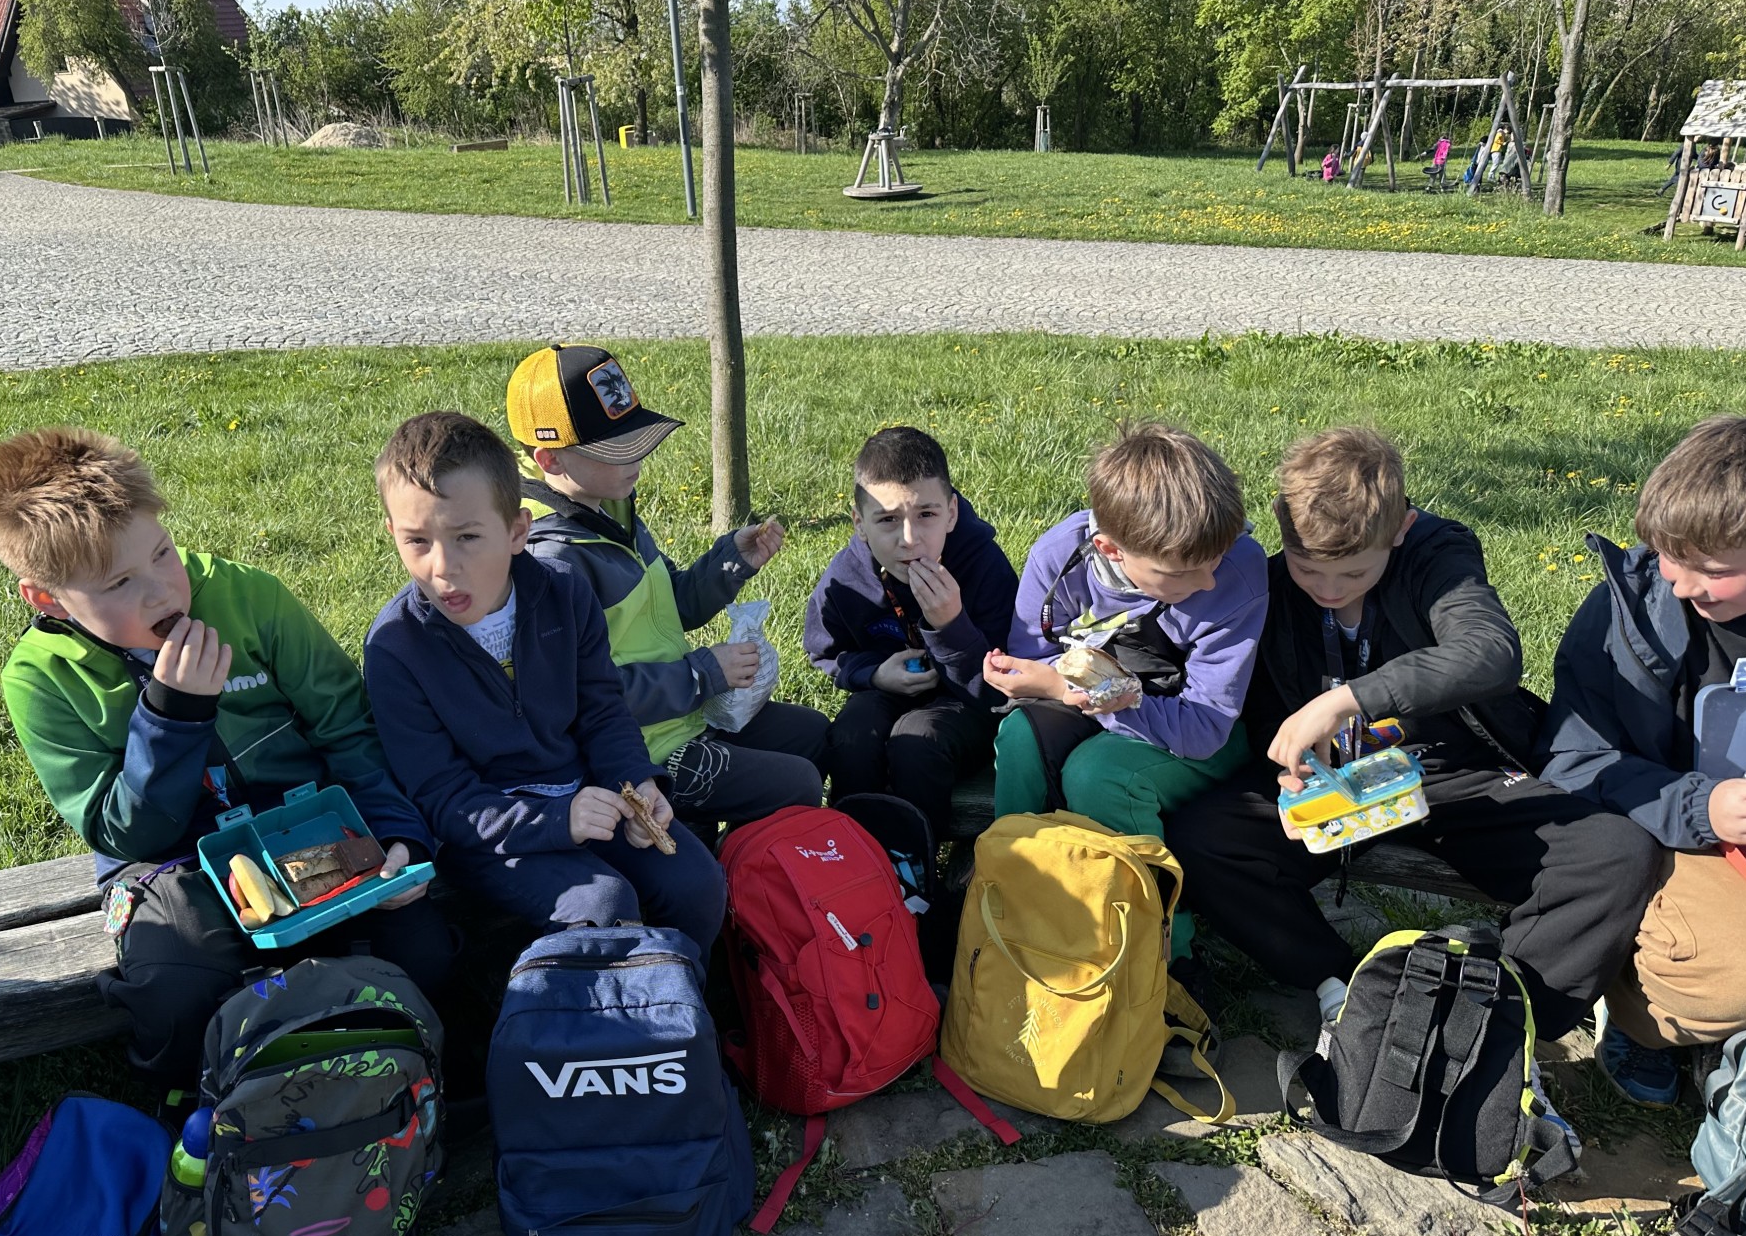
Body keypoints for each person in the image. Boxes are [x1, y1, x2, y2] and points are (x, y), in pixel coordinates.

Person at [0, 427, 457, 1087]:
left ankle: (419, 1090)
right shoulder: (41, 679)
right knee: (177, 985)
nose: (161, 591)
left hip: (304, 823)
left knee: (422, 947)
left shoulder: (249, 598)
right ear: (47, 598)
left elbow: (348, 728)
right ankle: (200, 1112)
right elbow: (121, 831)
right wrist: (172, 717)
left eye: (162, 553)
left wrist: (395, 831)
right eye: (119, 583)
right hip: (170, 861)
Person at [1165, 427, 1659, 1039]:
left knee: (1615, 851)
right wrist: (1296, 772)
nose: (1327, 589)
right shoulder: (1270, 580)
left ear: (1401, 527)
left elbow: (1490, 652)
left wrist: (1348, 699)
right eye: (1307, 568)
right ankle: (1339, 983)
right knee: (1205, 837)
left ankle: (1503, 1017)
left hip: (1452, 773)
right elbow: (1264, 700)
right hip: (1337, 779)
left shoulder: (1436, 554)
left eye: (1354, 573)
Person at [362, 410, 725, 956]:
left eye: (467, 537)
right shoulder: (396, 648)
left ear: (517, 531)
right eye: (417, 541)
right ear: (392, 533)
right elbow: (443, 797)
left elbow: (603, 710)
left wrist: (637, 781)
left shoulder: (564, 592)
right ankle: (616, 1004)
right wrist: (558, 821)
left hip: (590, 796)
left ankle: (682, 993)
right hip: (488, 838)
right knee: (605, 904)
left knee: (695, 882)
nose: (443, 567)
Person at [1543, 415, 1746, 1105]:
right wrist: (1702, 807)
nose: (1680, 583)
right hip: (1683, 835)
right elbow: (1573, 759)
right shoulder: (1632, 613)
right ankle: (1641, 1019)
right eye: (1670, 556)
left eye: (1714, 571)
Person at [982, 422, 1267, 982]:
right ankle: (1011, 908)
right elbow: (1033, 661)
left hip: (1199, 730)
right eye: (1182, 572)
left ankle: (1161, 953)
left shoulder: (1234, 569)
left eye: (1214, 560)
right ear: (1110, 548)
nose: (1208, 583)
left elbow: (1204, 726)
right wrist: (1035, 680)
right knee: (1020, 739)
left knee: (1101, 776)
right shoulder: (1060, 557)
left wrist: (1067, 689)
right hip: (1111, 706)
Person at [508, 344, 829, 831]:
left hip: (683, 716)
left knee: (813, 733)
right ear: (550, 460)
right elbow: (581, 696)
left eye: (635, 437)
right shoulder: (551, 558)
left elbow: (669, 606)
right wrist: (703, 675)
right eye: (615, 450)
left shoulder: (608, 507)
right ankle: (743, 870)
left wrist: (729, 563)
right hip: (642, 754)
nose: (636, 456)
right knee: (797, 781)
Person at [803, 426, 1019, 831]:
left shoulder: (983, 566)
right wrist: (873, 674)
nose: (909, 539)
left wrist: (951, 625)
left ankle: (914, 860)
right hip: (884, 693)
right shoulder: (847, 577)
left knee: (917, 741)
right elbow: (827, 651)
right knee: (853, 735)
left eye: (926, 515)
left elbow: (1001, 688)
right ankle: (855, 850)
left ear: (951, 513)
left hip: (967, 706)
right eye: (887, 519)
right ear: (860, 523)